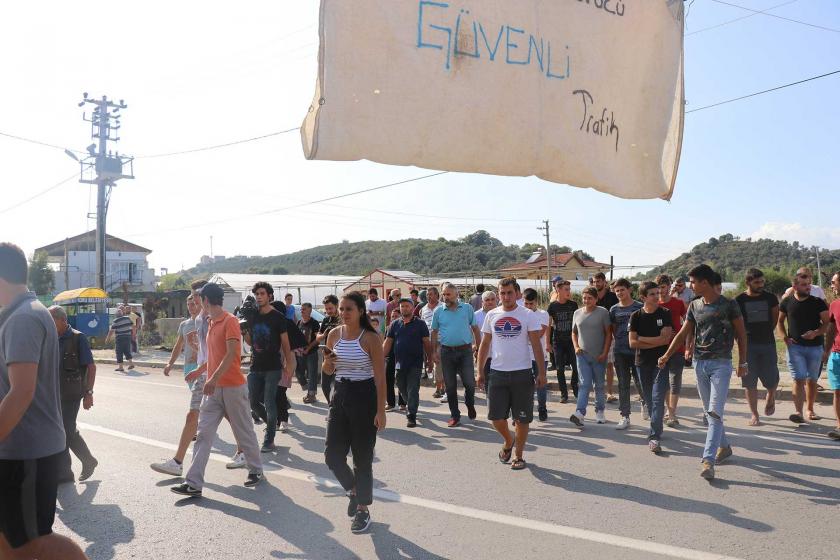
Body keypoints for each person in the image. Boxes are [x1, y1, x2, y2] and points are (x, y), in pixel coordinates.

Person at [0, 242, 89, 560]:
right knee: (8, 539)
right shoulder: (21, 313)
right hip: (20, 449)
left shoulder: (23, 319)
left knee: (33, 542)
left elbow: (21, 392)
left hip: (27, 452)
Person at [171, 283, 264, 497]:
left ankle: (256, 470)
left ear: (206, 301)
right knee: (203, 434)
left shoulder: (229, 321)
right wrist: (199, 370)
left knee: (244, 430)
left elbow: (231, 354)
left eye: (198, 299)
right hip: (213, 389)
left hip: (232, 387)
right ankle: (193, 483)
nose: (196, 303)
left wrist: (212, 378)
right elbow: (214, 356)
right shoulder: (211, 322)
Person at [659, 264, 747, 480]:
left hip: (721, 365)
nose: (690, 285)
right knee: (710, 413)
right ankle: (724, 446)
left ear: (705, 283)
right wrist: (667, 355)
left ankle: (708, 460)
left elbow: (742, 335)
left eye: (693, 281)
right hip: (700, 364)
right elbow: (682, 334)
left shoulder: (729, 305)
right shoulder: (694, 305)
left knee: (714, 413)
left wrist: (742, 362)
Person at [323, 291, 386, 534]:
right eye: (341, 309)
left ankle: (362, 509)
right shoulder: (333, 334)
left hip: (364, 397)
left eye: (349, 309)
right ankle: (353, 491)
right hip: (340, 395)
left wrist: (381, 411)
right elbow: (328, 370)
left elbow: (380, 378)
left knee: (362, 458)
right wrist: (328, 361)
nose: (343, 313)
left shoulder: (370, 337)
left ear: (361, 311)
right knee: (332, 455)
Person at [476, 278, 545, 471]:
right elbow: (484, 344)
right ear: (499, 294)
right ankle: (509, 439)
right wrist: (479, 371)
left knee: (522, 419)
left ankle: (518, 455)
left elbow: (537, 346)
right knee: (496, 419)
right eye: (502, 293)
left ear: (518, 294)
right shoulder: (492, 315)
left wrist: (541, 372)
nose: (506, 297)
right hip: (497, 373)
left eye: (509, 293)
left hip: (522, 373)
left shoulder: (528, 315)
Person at [151, 294, 202, 477]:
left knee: (201, 405)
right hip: (190, 366)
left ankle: (195, 430)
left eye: (194, 303)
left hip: (203, 366)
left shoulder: (205, 321)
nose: (191, 307)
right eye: (189, 304)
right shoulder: (185, 324)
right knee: (202, 403)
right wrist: (170, 363)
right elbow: (178, 345)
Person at [48, 305, 98, 483]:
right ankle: (70, 469)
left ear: (63, 320)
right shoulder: (50, 338)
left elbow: (91, 367)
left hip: (71, 394)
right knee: (61, 430)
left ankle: (82, 464)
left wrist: (89, 393)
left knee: (66, 430)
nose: (48, 322)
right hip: (53, 394)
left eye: (51, 319)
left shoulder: (78, 338)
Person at [243, 282, 296, 451]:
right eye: (257, 294)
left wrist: (289, 364)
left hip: (273, 366)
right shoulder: (253, 315)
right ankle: (272, 425)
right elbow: (251, 341)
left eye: (262, 293)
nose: (259, 296)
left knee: (269, 402)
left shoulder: (278, 317)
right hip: (255, 365)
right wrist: (244, 330)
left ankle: (269, 440)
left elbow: (286, 343)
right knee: (252, 403)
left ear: (270, 296)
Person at [778, 275, 829, 424]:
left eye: (808, 284)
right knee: (798, 379)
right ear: (795, 287)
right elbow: (780, 322)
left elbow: (827, 323)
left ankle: (810, 409)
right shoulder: (787, 302)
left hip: (815, 348)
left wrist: (816, 333)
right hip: (795, 348)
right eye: (804, 285)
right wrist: (785, 338)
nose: (808, 287)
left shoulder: (818, 302)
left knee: (812, 380)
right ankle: (798, 412)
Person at [629, 282, 673, 454]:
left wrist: (642, 338)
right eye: (653, 294)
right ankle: (657, 426)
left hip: (660, 363)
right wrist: (656, 339)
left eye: (658, 292)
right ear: (643, 297)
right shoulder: (636, 316)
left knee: (657, 398)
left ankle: (654, 435)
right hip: (642, 363)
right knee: (649, 400)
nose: (657, 295)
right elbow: (632, 343)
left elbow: (666, 340)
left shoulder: (665, 313)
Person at [735, 269, 780, 426]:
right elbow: (736, 323)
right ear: (747, 282)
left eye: (762, 281)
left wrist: (766, 332)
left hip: (767, 343)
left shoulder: (771, 298)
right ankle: (754, 414)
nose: (761, 285)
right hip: (748, 347)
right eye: (756, 282)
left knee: (772, 378)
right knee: (749, 382)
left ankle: (771, 395)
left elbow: (775, 318)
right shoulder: (739, 300)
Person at [431, 282, 480, 427]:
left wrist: (478, 347)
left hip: (465, 351)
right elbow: (434, 332)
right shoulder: (438, 312)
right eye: (444, 294)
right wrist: (434, 352)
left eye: (448, 294)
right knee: (450, 387)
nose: (446, 297)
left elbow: (475, 328)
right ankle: (455, 416)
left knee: (470, 384)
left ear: (456, 295)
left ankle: (470, 404)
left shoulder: (467, 308)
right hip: (446, 352)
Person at [384, 298, 432, 427]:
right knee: (400, 385)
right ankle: (412, 403)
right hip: (399, 363)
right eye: (402, 306)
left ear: (412, 307)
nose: (404, 308)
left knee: (412, 389)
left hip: (415, 363)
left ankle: (411, 415)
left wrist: (430, 360)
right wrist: (379, 357)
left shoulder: (420, 324)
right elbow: (387, 343)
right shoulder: (394, 324)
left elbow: (427, 343)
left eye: (407, 306)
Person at [569, 287, 612, 427]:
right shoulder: (577, 313)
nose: (586, 300)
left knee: (599, 385)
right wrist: (576, 347)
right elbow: (574, 333)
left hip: (599, 356)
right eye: (584, 298)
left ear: (596, 299)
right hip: (582, 355)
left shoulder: (603, 313)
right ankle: (580, 413)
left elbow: (608, 334)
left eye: (590, 298)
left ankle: (600, 411)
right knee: (584, 384)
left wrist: (605, 353)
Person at [609, 278, 643, 430]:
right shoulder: (614, 309)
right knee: (623, 385)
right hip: (620, 351)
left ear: (629, 289)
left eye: (622, 289)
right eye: (617, 291)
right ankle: (625, 416)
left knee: (640, 381)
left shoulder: (640, 307)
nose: (620, 293)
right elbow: (613, 330)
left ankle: (645, 402)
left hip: (638, 351)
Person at [547, 279, 578, 403]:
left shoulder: (573, 304)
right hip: (558, 341)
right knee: (560, 368)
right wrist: (547, 343)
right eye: (566, 289)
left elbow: (577, 324)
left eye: (569, 289)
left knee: (576, 367)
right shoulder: (552, 306)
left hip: (572, 341)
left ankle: (575, 387)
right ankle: (564, 393)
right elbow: (548, 326)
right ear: (558, 290)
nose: (568, 292)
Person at [522, 288, 550, 421]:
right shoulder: (520, 314)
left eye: (531, 304)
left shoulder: (543, 314)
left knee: (541, 385)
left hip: (539, 355)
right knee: (525, 387)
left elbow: (539, 334)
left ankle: (542, 409)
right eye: (526, 304)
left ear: (536, 302)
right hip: (524, 357)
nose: (528, 307)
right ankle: (525, 411)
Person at [593, 272, 619, 402]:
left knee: (609, 365)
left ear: (604, 282)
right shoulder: (591, 296)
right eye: (594, 281)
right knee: (597, 364)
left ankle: (609, 393)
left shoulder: (613, 297)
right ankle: (599, 391)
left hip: (609, 334)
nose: (596, 284)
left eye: (598, 281)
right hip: (594, 335)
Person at [823, 271, 840, 440]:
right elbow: (831, 330)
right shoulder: (834, 305)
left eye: (834, 282)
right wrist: (826, 351)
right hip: (836, 355)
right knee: (837, 391)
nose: (832, 285)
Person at [420, 287, 446, 398]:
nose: (428, 296)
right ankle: (440, 387)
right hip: (428, 342)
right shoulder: (424, 309)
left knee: (439, 364)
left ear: (437, 295)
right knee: (432, 364)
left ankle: (440, 388)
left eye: (431, 294)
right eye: (427, 295)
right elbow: (423, 324)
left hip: (441, 341)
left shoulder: (443, 307)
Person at [317, 294, 342, 402]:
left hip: (340, 356)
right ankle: (331, 406)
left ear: (337, 306)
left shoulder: (343, 319)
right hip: (327, 356)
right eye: (326, 309)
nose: (328, 311)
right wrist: (323, 335)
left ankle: (337, 410)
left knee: (338, 386)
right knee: (325, 385)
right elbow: (318, 337)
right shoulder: (326, 320)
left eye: (330, 308)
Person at [106, 307, 135, 372]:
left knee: (119, 351)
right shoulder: (127, 318)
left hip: (120, 338)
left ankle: (121, 367)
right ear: (122, 313)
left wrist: (107, 339)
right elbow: (133, 326)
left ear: (116, 314)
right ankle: (131, 363)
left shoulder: (115, 321)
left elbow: (111, 331)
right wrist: (133, 334)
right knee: (127, 350)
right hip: (127, 337)